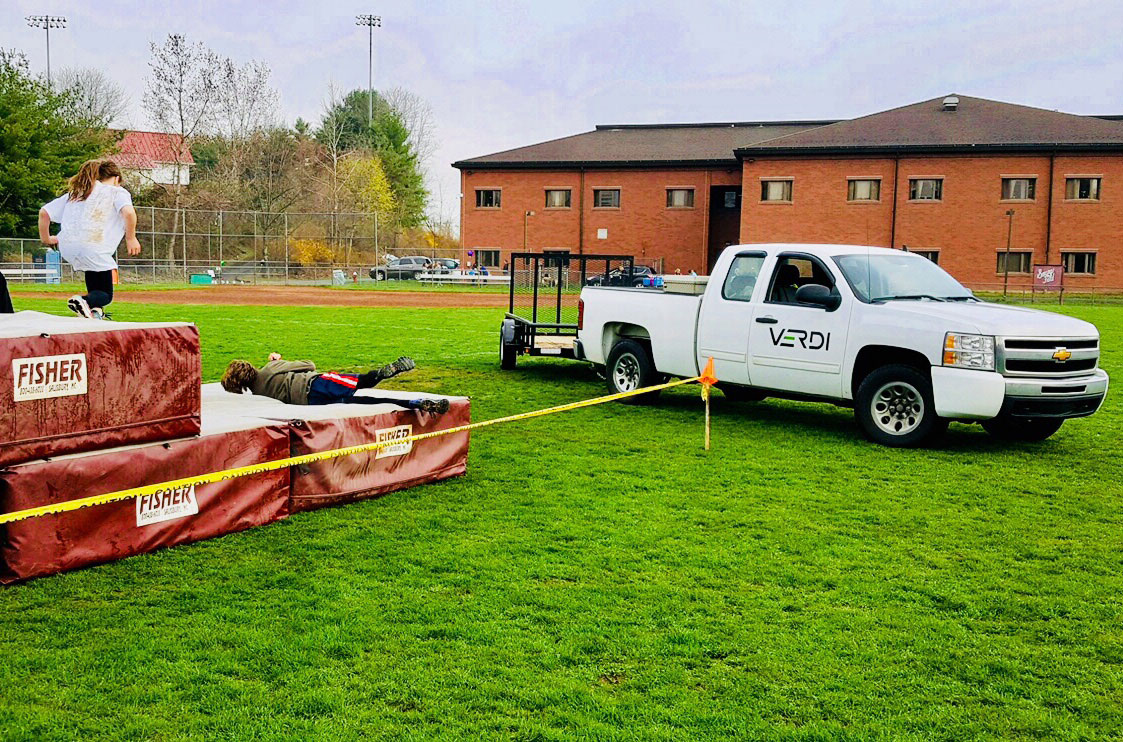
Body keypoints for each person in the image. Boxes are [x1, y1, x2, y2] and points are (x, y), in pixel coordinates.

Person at [39, 159, 140, 319]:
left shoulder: (77, 193)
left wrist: (46, 238)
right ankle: (82, 300)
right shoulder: (117, 192)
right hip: (94, 246)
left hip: (68, 246)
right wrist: (131, 237)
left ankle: (93, 312)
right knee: (106, 295)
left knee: (96, 291)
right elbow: (128, 213)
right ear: (116, 178)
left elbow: (44, 213)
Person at [220, 353, 450, 413]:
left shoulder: (259, 394)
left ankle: (415, 403)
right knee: (361, 383)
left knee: (369, 402)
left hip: (310, 403)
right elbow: (308, 365)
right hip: (315, 384)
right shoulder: (270, 369)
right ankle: (385, 372)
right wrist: (280, 361)